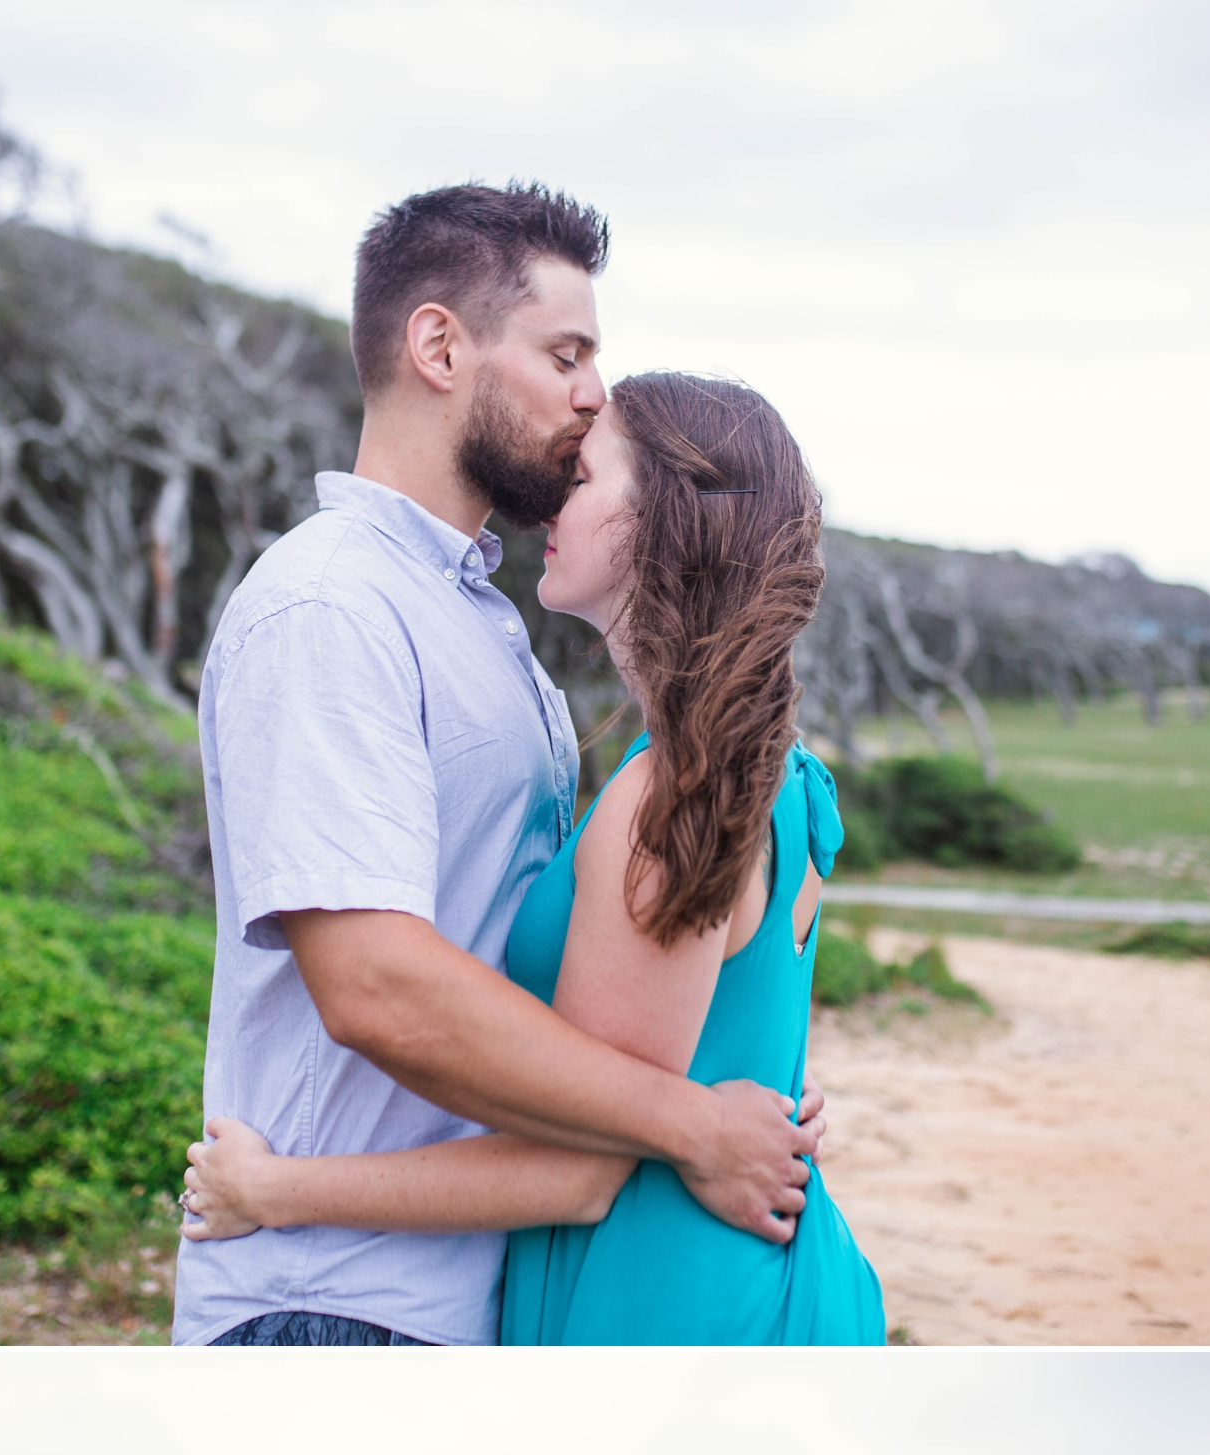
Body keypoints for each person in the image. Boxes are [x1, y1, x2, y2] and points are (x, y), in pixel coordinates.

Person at [173, 184, 821, 1351]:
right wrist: (688, 1119)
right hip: (333, 1298)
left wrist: (723, 1080)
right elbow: (373, 982)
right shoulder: (332, 604)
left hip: (475, 1278)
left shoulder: (479, 618)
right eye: (565, 353)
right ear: (438, 346)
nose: (591, 394)